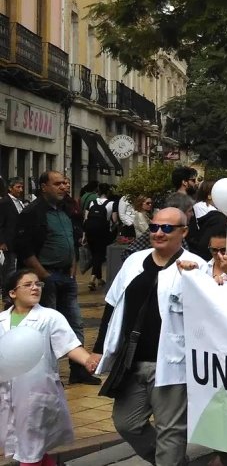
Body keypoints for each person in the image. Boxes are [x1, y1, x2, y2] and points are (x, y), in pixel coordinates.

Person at [91, 206, 205, 466]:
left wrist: (196, 278)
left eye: (167, 228)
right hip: (130, 361)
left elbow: (208, 315)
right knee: (127, 423)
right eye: (154, 227)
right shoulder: (133, 261)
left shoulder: (197, 266)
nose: (158, 233)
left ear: (183, 231)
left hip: (173, 364)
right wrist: (99, 348)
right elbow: (112, 304)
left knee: (171, 430)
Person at [0, 269, 100, 466]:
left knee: (30, 451)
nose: (35, 288)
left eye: (38, 284)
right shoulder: (2, 319)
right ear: (13, 293)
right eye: (28, 285)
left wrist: (88, 360)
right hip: (7, 394)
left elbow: (70, 345)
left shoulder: (50, 317)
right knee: (31, 448)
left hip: (36, 394)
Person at [12, 171, 95, 385]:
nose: (64, 187)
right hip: (44, 278)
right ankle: (47, 373)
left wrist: (73, 266)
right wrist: (43, 274)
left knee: (75, 323)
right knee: (45, 326)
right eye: (57, 183)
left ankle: (79, 370)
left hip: (66, 276)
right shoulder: (33, 212)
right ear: (43, 187)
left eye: (65, 183)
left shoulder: (67, 209)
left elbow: (73, 239)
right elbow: (23, 247)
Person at [82, 183, 118, 291]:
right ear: (108, 192)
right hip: (103, 231)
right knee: (99, 254)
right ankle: (92, 280)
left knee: (95, 253)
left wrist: (84, 234)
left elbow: (86, 219)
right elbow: (114, 220)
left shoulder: (91, 202)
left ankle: (99, 279)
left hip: (90, 230)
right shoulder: (112, 203)